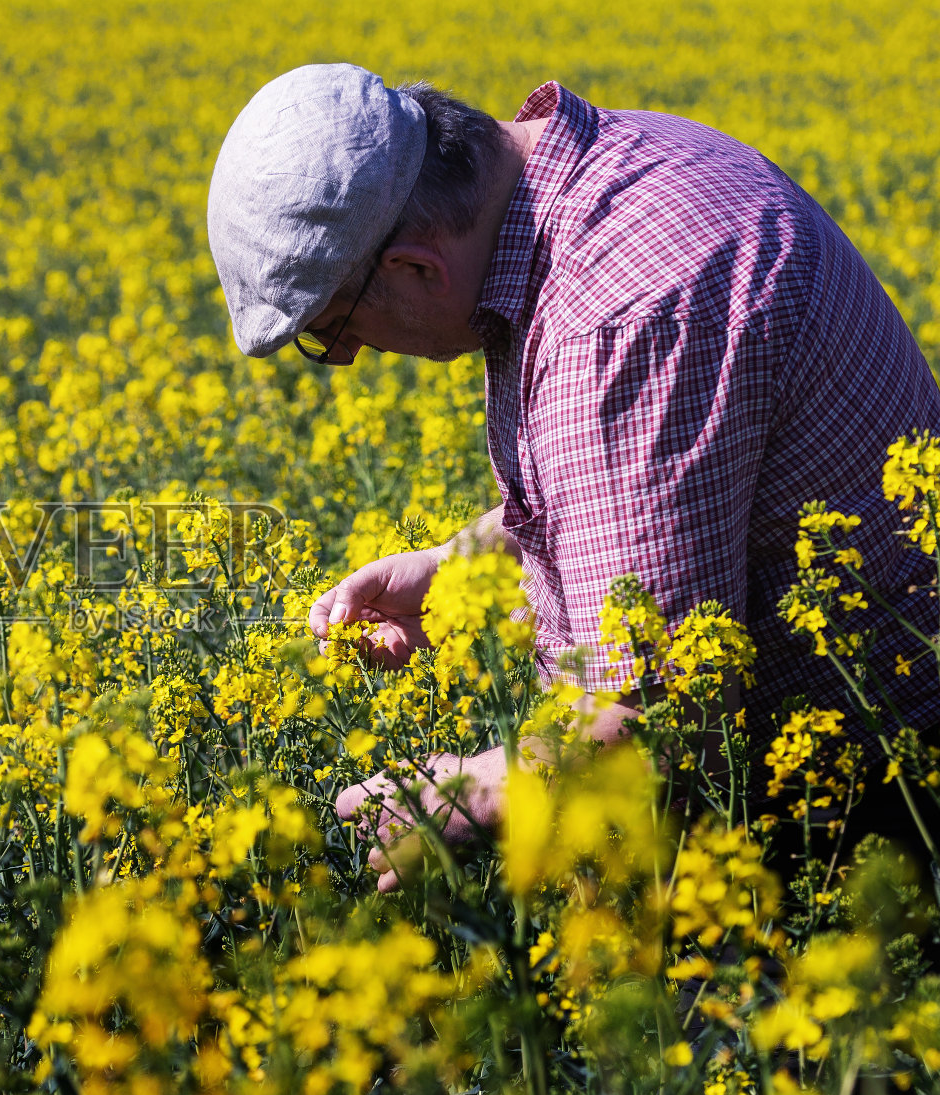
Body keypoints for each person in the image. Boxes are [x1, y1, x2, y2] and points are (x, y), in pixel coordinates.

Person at [206, 64, 940, 890]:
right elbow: (651, 479)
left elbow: (667, 717)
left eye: (332, 326)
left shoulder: (621, 321)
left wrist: (476, 788)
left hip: (877, 816)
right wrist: (462, 567)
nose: (343, 356)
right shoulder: (616, 162)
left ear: (416, 268)